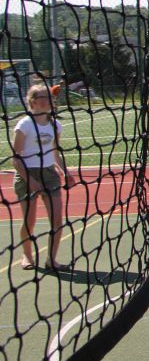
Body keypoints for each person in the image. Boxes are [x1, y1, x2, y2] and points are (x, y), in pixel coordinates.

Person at [11, 84, 71, 271]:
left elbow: (55, 153)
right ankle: (27, 256)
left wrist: (66, 172)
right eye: (45, 97)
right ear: (34, 102)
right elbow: (15, 159)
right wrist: (31, 181)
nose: (50, 101)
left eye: (51, 97)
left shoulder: (55, 125)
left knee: (57, 221)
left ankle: (51, 260)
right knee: (29, 221)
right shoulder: (24, 125)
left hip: (49, 175)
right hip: (27, 174)